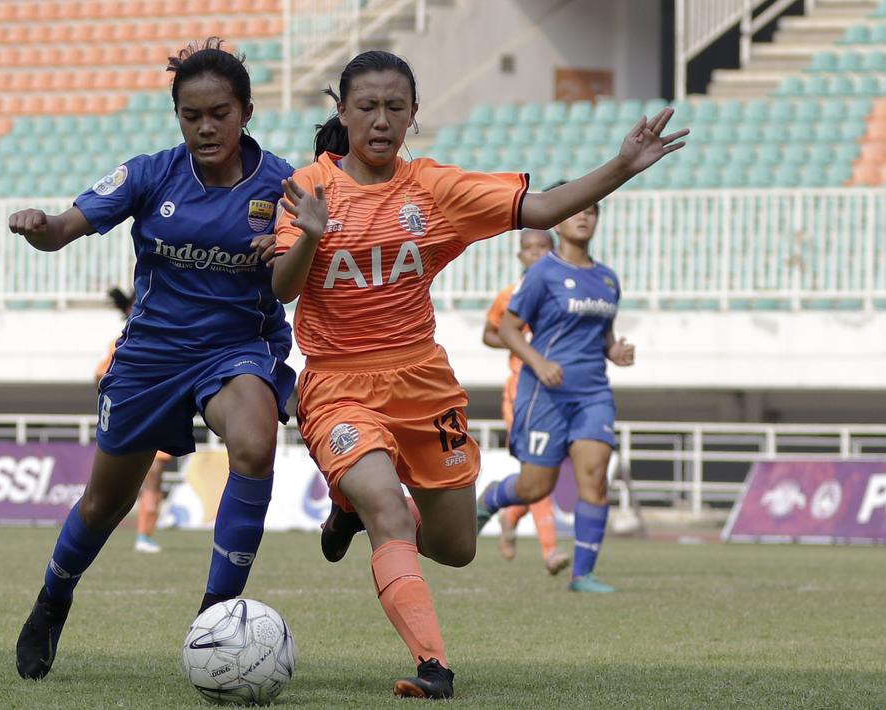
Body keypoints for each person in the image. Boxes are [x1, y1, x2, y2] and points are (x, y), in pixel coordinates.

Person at [272, 51, 684, 699]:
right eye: (366, 107)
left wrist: (622, 167)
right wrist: (308, 236)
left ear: (412, 115)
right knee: (391, 514)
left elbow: (543, 209)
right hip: (337, 383)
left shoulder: (434, 189)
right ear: (343, 113)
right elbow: (281, 289)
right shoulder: (306, 187)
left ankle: (347, 508)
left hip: (421, 383)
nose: (380, 121)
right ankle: (433, 664)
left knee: (456, 545)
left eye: (394, 107)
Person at [7, 38, 297, 681]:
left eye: (219, 112)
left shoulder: (283, 184)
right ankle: (52, 601)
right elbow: (61, 230)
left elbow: (293, 277)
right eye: (191, 116)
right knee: (102, 506)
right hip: (150, 358)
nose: (205, 127)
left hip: (236, 349)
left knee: (253, 444)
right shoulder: (148, 174)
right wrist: (39, 225)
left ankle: (217, 618)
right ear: (177, 117)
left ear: (246, 111)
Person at [477, 181, 635, 594]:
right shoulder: (543, 271)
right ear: (559, 219)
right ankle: (492, 498)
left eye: (592, 210)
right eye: (577, 209)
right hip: (544, 393)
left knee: (594, 477)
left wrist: (615, 351)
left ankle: (582, 574)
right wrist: (539, 362)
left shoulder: (607, 280)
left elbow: (603, 336)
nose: (584, 215)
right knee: (536, 487)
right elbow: (508, 329)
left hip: (592, 394)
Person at [483, 229, 569, 575]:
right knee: (537, 467)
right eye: (527, 248)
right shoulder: (511, 294)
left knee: (544, 474)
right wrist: (522, 343)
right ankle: (551, 551)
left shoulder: (565, 292)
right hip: (522, 394)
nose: (534, 254)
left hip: (560, 393)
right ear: (520, 257)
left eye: (542, 248)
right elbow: (490, 333)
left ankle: (511, 514)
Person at [96, 286, 172, 554]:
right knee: (144, 480)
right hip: (140, 418)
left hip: (153, 418)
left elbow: (100, 377)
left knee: (151, 480)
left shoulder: (163, 335)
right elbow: (102, 376)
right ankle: (140, 534)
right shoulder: (127, 339)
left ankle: (144, 534)